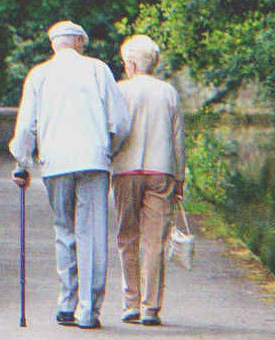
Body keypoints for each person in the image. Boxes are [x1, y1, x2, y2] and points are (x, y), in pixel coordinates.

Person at [9, 20, 131, 329]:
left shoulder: (39, 74)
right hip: (93, 161)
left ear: (54, 44)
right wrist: (109, 150)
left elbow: (26, 125)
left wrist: (22, 162)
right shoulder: (98, 69)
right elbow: (120, 121)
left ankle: (66, 302)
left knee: (64, 230)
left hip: (56, 162)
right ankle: (88, 310)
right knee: (91, 233)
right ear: (79, 42)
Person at [112, 35, 186, 326]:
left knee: (126, 237)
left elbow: (114, 131)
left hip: (126, 170)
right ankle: (150, 307)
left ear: (130, 63)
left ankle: (130, 302)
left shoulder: (120, 91)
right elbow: (178, 139)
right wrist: (179, 177)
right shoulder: (168, 92)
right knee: (155, 241)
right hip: (161, 171)